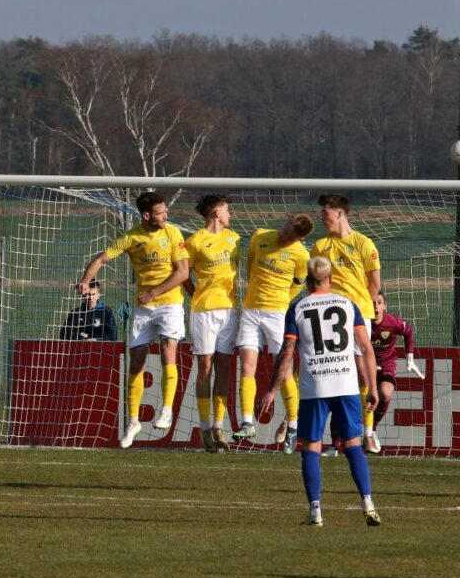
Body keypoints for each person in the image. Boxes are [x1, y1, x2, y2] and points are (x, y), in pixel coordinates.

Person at [260, 256, 381, 527]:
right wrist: (372, 386)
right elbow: (366, 348)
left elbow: (287, 352)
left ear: (308, 280)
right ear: (331, 278)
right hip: (346, 384)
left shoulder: (298, 307)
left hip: (315, 385)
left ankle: (315, 512)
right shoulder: (348, 305)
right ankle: (368, 504)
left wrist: (272, 389)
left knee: (311, 447)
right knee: (352, 445)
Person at [78, 191, 189, 449]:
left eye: (165, 212)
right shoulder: (131, 237)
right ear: (147, 215)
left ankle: (167, 409)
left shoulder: (173, 234)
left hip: (169, 303)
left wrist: (154, 292)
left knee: (167, 350)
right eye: (161, 213)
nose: (166, 216)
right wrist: (85, 281)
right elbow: (101, 259)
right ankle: (133, 420)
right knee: (136, 360)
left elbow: (183, 273)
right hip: (144, 307)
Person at [234, 214, 314, 454]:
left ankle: (292, 426)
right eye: (286, 230)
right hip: (250, 311)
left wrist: (282, 301)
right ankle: (248, 422)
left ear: (299, 239)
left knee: (285, 370)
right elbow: (249, 267)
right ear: (286, 221)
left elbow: (299, 283)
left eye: (290, 237)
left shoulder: (301, 255)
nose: (284, 236)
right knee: (247, 366)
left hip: (277, 315)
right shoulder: (260, 236)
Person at [311, 193, 382, 454]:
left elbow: (374, 284)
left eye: (325, 211)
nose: (321, 216)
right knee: (333, 376)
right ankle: (337, 437)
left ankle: (368, 432)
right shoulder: (320, 246)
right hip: (329, 319)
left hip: (357, 316)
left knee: (363, 375)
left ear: (339, 213)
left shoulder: (364, 244)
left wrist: (362, 311)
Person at [183, 194, 240, 453]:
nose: (231, 215)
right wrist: (196, 293)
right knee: (205, 368)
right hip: (203, 311)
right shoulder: (195, 242)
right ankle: (204, 426)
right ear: (217, 213)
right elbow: (183, 274)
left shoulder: (235, 239)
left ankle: (219, 424)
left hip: (228, 310)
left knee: (224, 367)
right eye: (228, 210)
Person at [370, 290, 425, 429]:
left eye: (379, 303)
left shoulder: (392, 322)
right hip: (365, 365)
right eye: (372, 303)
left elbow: (408, 331)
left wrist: (410, 357)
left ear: (385, 306)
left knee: (386, 392)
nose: (375, 306)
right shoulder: (361, 323)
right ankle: (337, 442)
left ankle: (372, 429)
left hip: (386, 364)